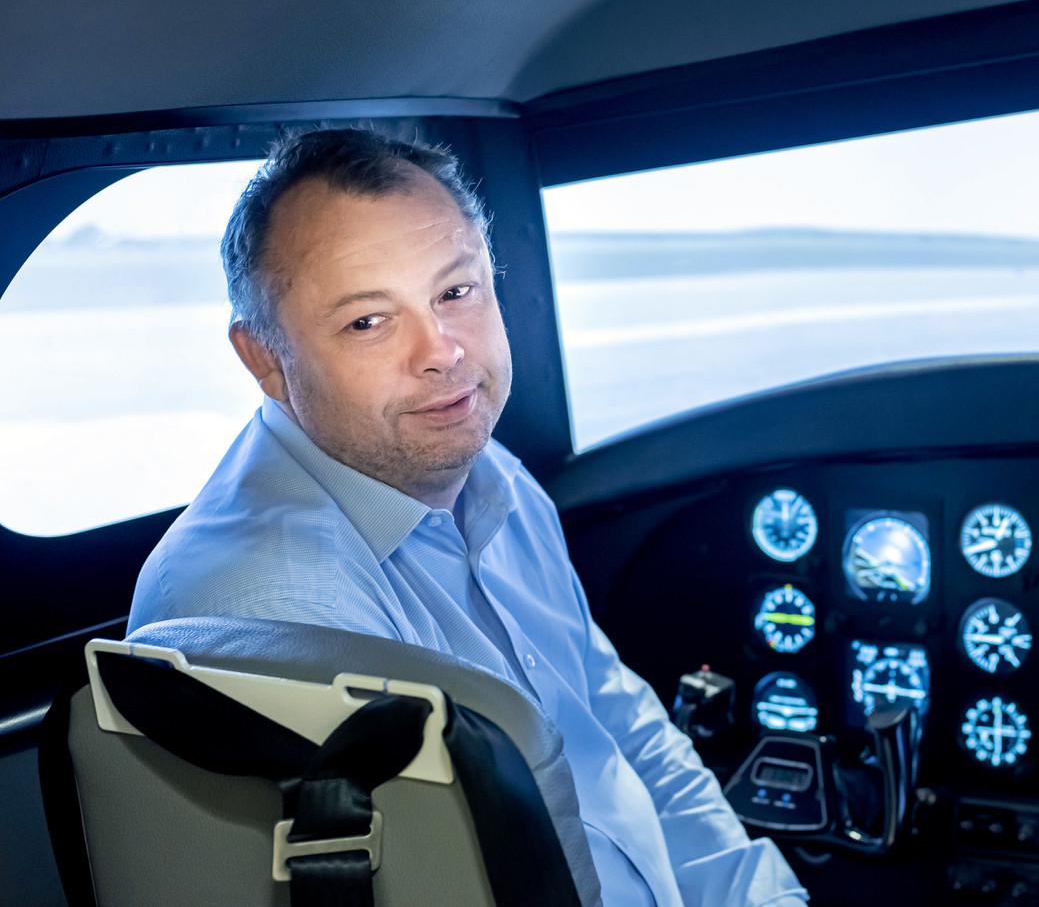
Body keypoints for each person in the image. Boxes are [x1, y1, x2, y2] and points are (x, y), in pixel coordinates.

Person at [128, 128, 808, 907]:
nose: (443, 352)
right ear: (264, 360)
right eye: (368, 321)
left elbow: (620, 727)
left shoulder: (493, 476)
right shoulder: (264, 609)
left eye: (456, 293)